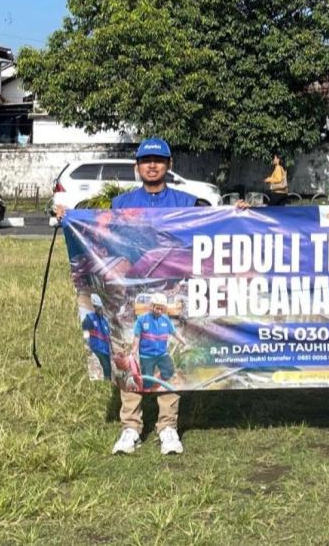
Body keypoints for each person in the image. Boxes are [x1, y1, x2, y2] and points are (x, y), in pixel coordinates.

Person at [57, 137, 199, 456]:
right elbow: (100, 234)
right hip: (130, 294)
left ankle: (168, 427)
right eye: (146, 160)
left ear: (169, 165)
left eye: (158, 160)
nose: (152, 165)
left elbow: (214, 229)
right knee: (128, 358)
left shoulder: (186, 203)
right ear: (137, 167)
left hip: (168, 293)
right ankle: (130, 427)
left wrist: (242, 211)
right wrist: (69, 218)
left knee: (167, 359)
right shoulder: (121, 204)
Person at [82, 293, 113, 380]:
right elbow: (83, 330)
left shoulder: (105, 321)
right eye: (97, 307)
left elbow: (108, 336)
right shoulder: (90, 318)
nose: (100, 309)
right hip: (97, 349)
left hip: (106, 350)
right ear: (94, 307)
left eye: (100, 307)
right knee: (106, 368)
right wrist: (87, 346)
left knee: (109, 370)